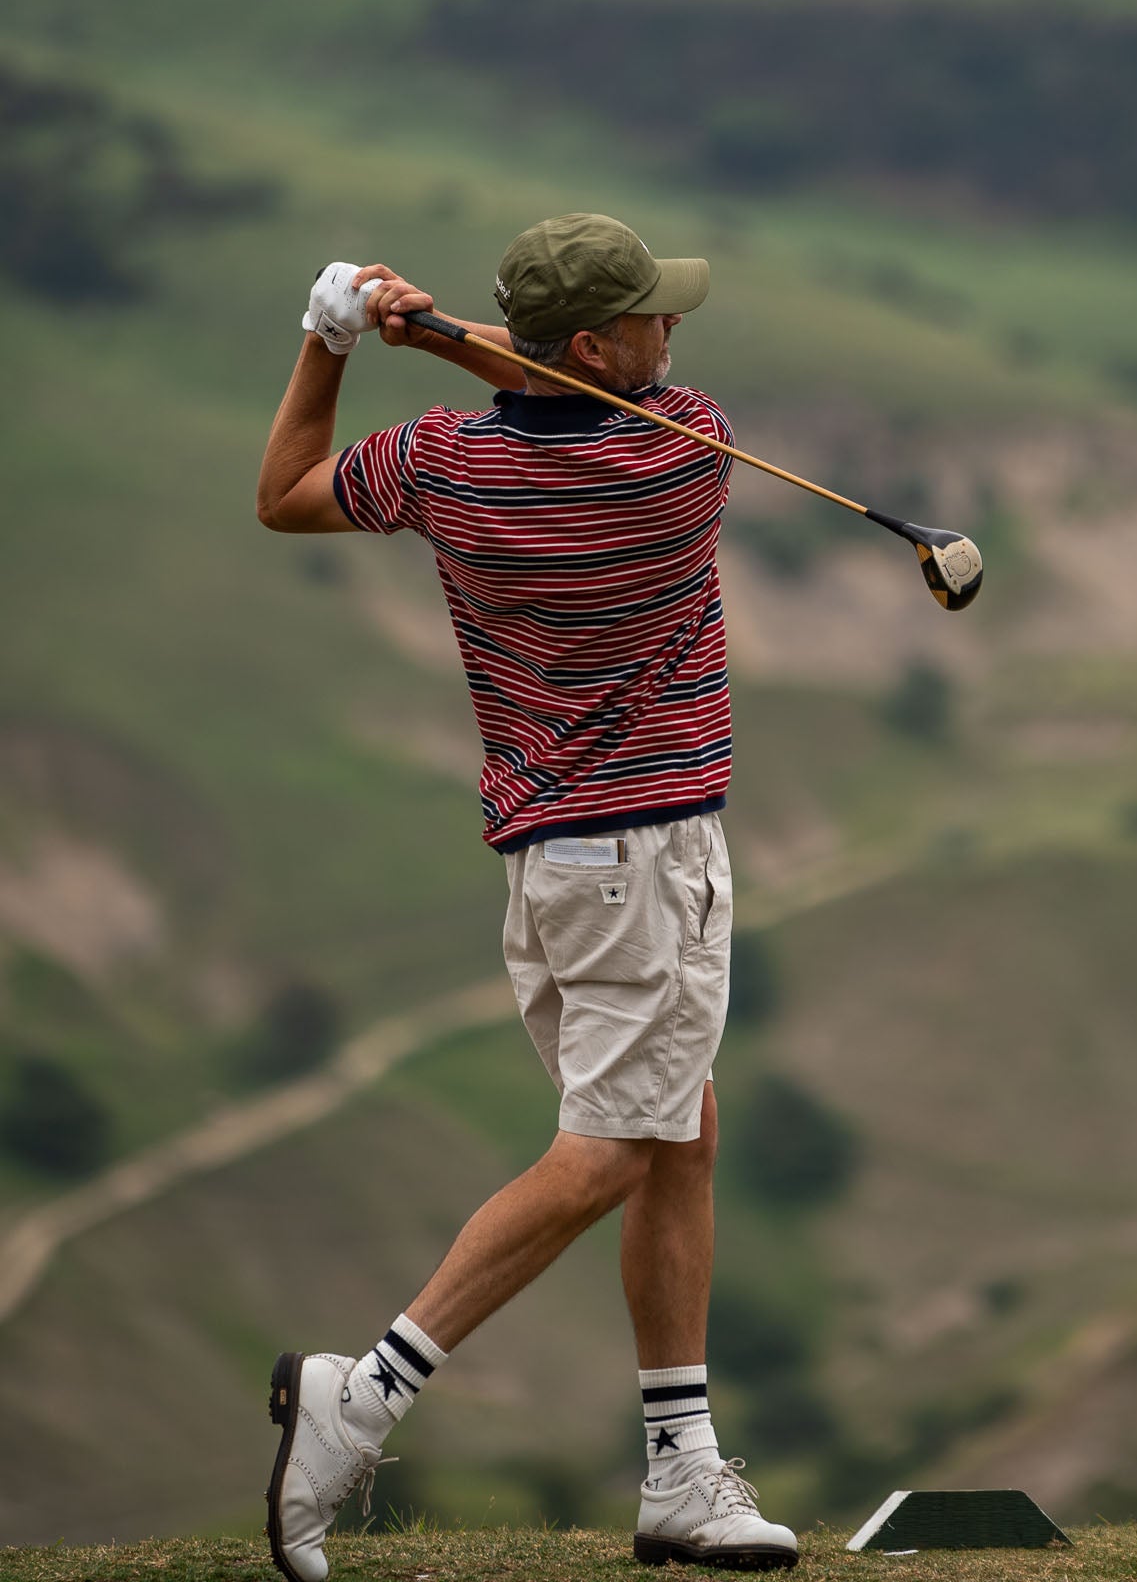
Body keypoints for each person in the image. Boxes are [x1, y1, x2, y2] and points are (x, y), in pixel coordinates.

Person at [255, 212, 798, 1579]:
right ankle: (361, 1397)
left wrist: (335, 342)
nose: (674, 329)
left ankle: (680, 1470)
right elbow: (575, 387)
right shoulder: (683, 449)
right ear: (602, 346)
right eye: (652, 314)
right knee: (612, 1147)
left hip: (552, 862)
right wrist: (443, 334)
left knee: (676, 1130)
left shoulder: (443, 462)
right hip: (651, 859)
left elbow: (288, 491)